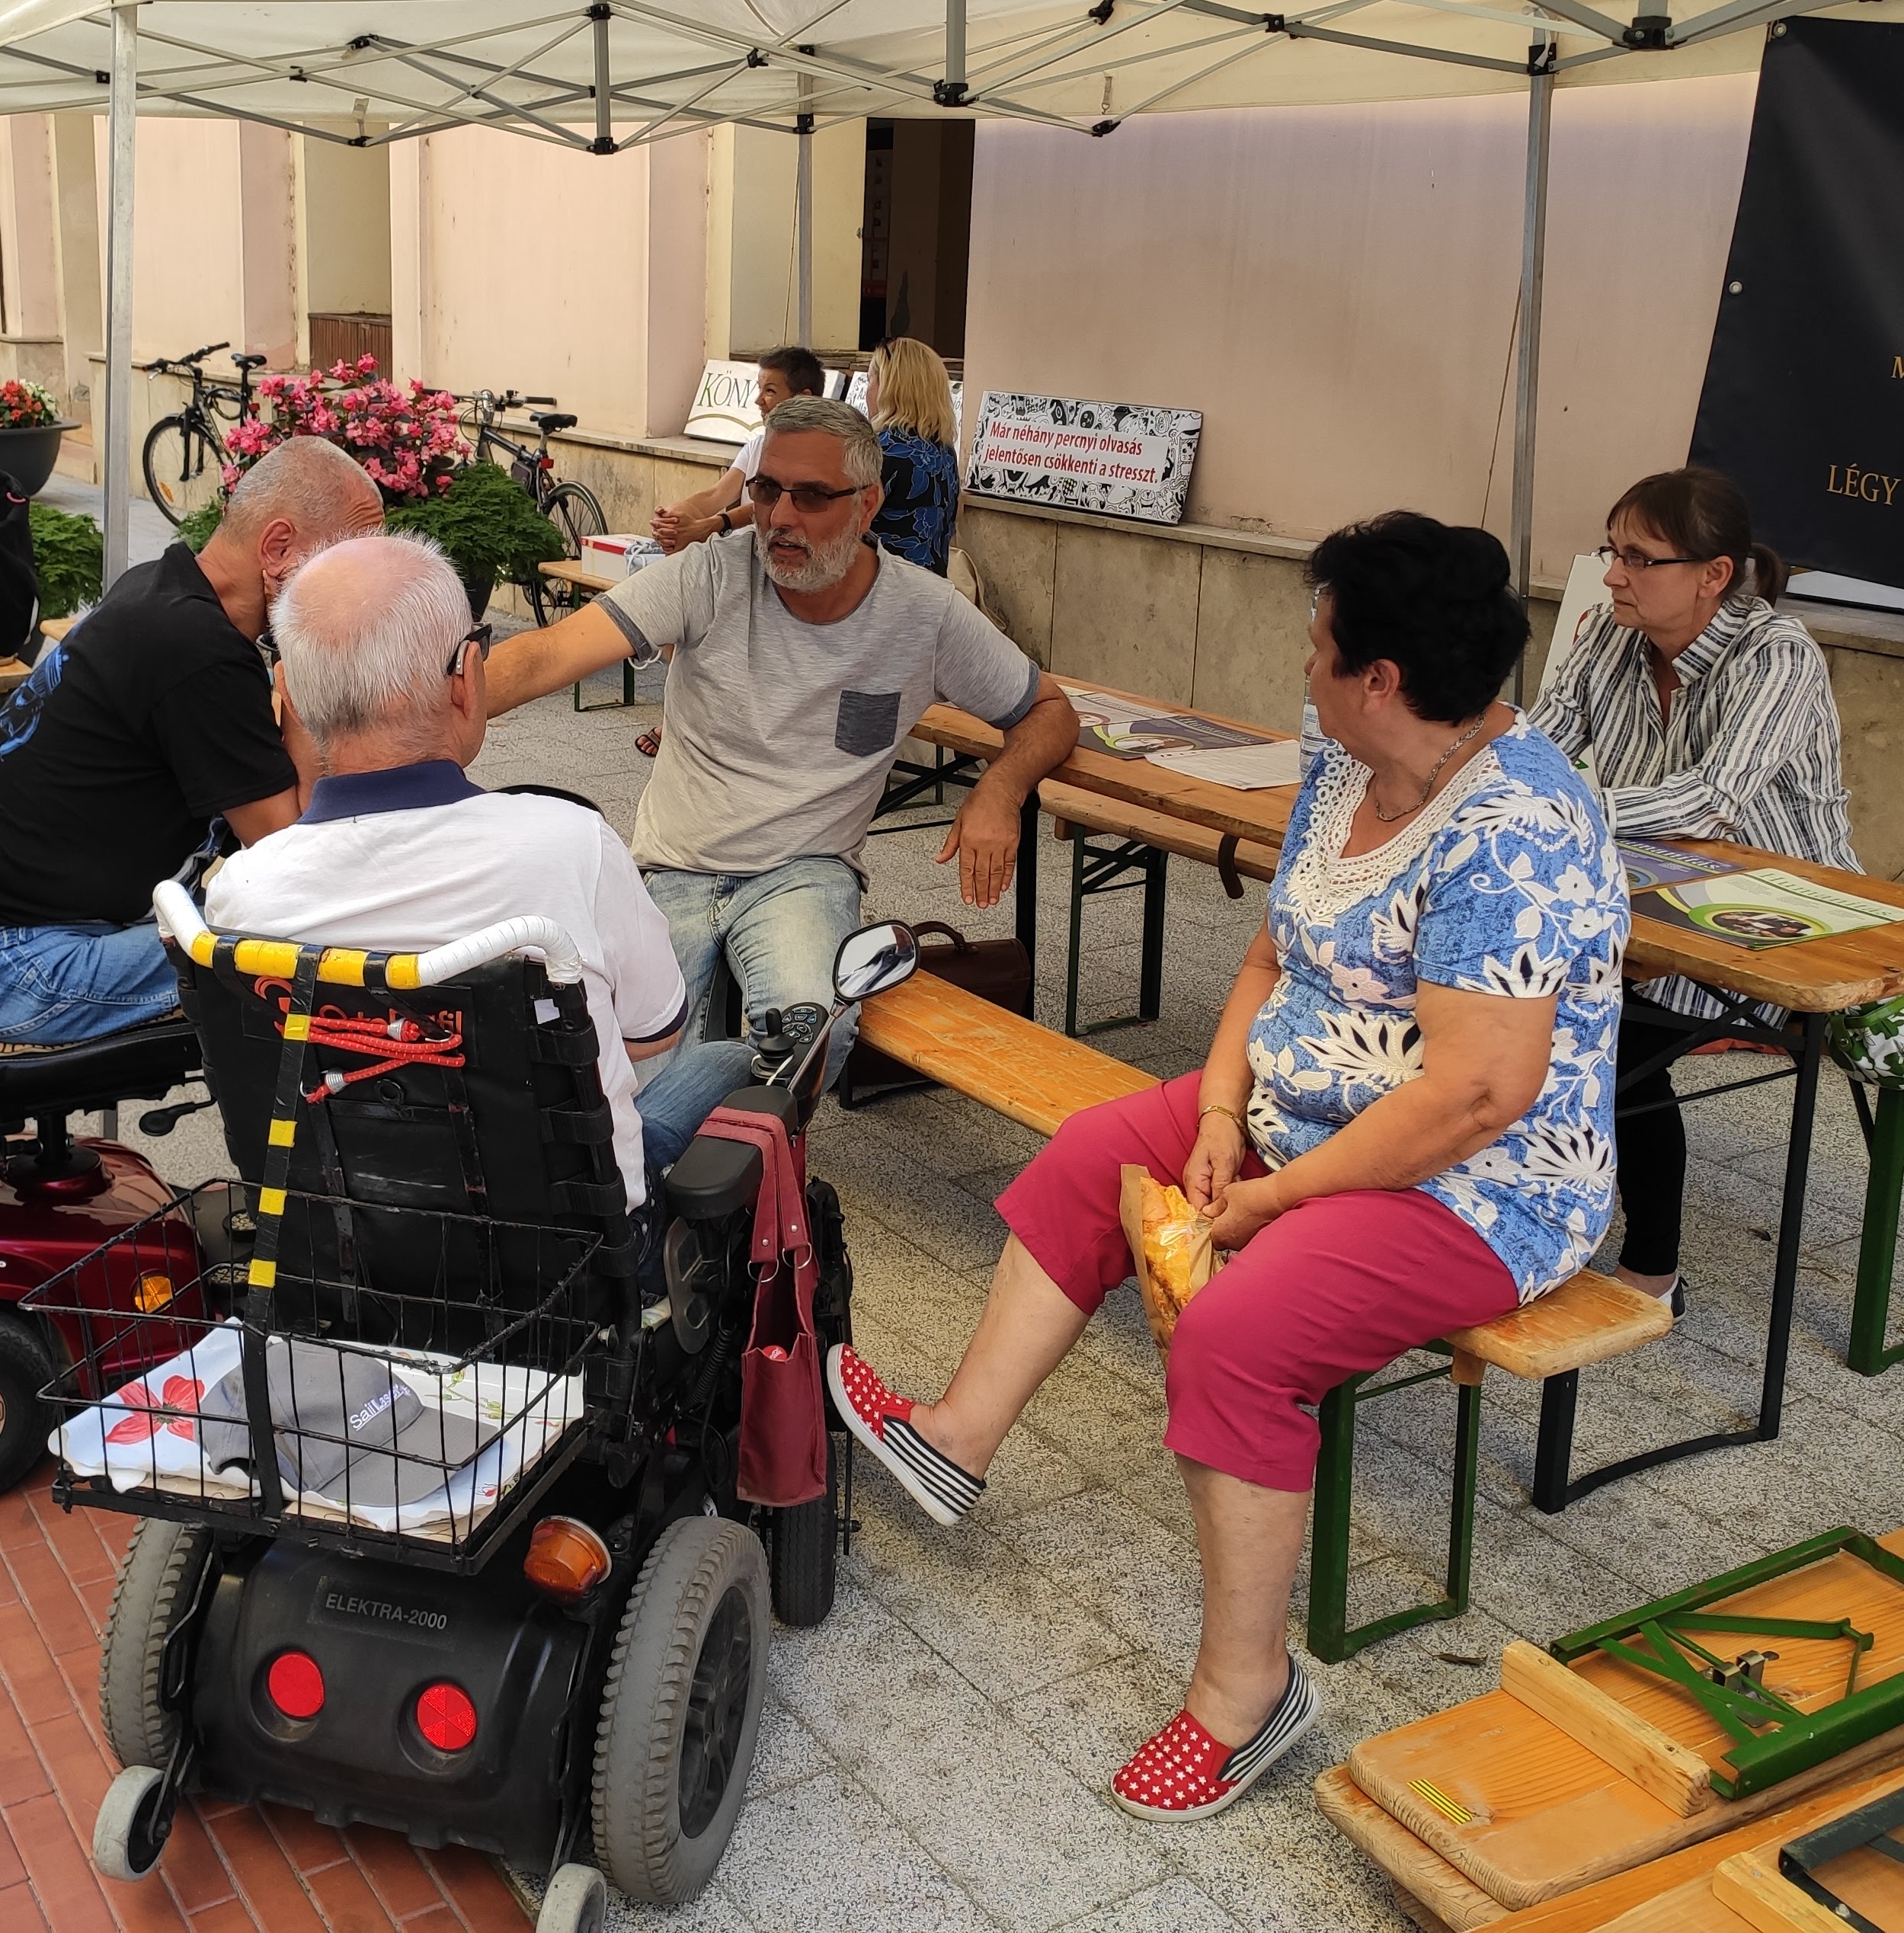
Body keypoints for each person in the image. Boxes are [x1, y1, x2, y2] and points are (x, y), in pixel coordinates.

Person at [824, 514, 1627, 1822]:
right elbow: (1271, 956)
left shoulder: (1519, 826)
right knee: (1095, 1152)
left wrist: (1275, 1197)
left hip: (1480, 1185)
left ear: (1380, 677)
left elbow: (1477, 1097)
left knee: (1239, 1335)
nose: (1304, 665)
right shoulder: (1349, 762)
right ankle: (957, 1438)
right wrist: (1214, 1110)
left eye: (1319, 645)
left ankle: (1248, 1694)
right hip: (1298, 1115)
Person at [486, 395, 1077, 1167]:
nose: (779, 517)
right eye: (767, 490)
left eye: (811, 496)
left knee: (808, 1041)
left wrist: (999, 790)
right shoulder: (710, 574)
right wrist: (416, 725)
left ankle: (667, 1172)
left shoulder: (922, 613)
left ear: (867, 504)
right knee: (627, 1062)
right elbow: (547, 653)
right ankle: (671, 1169)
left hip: (804, 871)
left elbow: (1048, 711)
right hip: (675, 864)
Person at [196, 533, 688, 1208]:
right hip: (575, 1248)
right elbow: (654, 1032)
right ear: (466, 676)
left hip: (342, 1245)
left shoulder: (242, 894)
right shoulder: (573, 847)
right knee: (720, 1065)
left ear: (293, 697)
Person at [0, 437, 382, 1073]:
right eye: (347, 563)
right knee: (312, 951)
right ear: (277, 548)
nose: (357, 593)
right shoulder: (198, 651)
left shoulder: (159, 588)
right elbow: (292, 857)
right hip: (2, 965)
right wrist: (303, 676)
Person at [1528, 465, 1852, 1308]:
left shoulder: (1778, 655)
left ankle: (1651, 1271)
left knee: (1607, 1030)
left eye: (1639, 558)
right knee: (1501, 982)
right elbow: (1539, 746)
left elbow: (1711, 802)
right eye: (1612, 551)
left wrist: (1554, 807)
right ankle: (1516, 1211)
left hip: (1780, 920)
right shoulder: (1610, 635)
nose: (1613, 575)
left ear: (1714, 575)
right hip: (1649, 893)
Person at [651, 345, 824, 552]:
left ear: (803, 398)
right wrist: (672, 520)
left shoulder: (819, 453)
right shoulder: (757, 445)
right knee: (677, 516)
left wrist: (717, 524)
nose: (759, 401)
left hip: (775, 552)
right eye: (760, 390)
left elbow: (770, 505)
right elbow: (715, 495)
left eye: (770, 391)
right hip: (738, 549)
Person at [862, 336, 961, 574]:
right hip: (932, 588)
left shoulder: (882, 450)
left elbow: (844, 528)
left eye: (870, 380)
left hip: (887, 588)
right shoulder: (944, 449)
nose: (867, 391)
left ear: (889, 387)